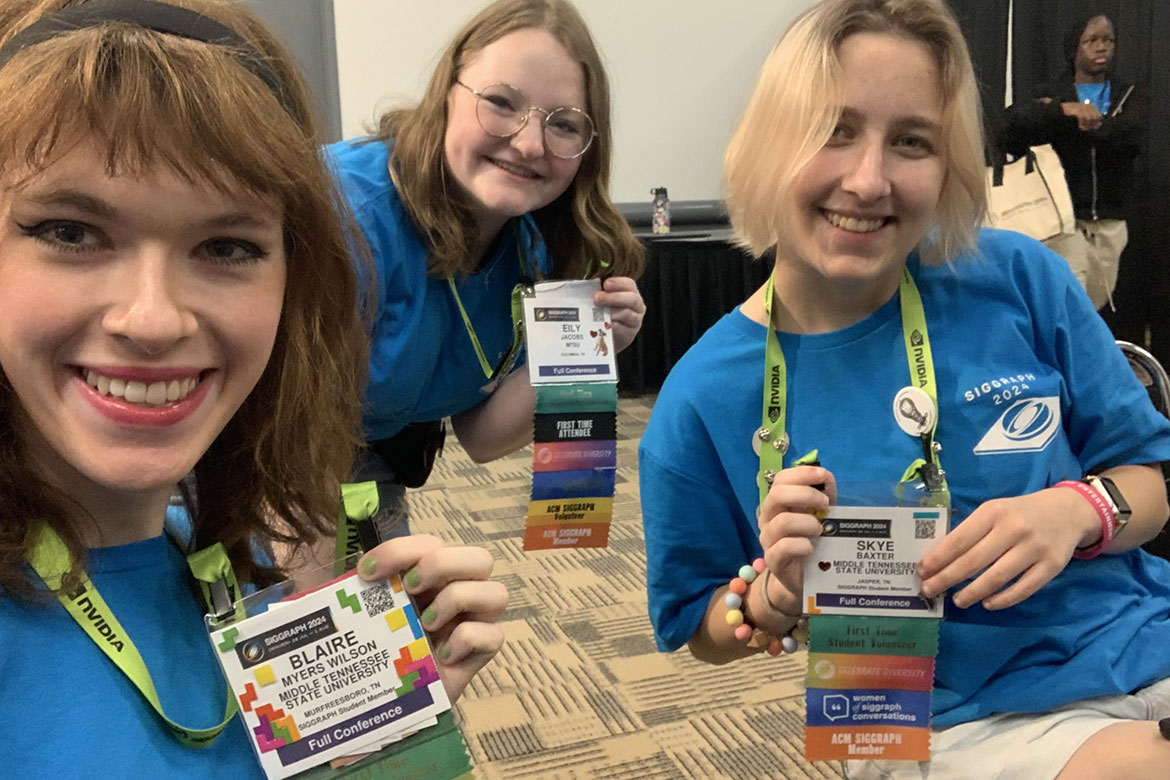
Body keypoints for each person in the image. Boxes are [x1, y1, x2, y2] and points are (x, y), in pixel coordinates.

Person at [639, 1, 1170, 778]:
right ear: (769, 142)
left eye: (911, 141)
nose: (868, 179)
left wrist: (1076, 511)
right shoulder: (703, 398)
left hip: (1146, 643)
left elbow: (1148, 486)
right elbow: (699, 626)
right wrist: (772, 600)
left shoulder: (1019, 279)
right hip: (943, 721)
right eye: (834, 129)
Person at [0, 2, 506, 778]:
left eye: (227, 246)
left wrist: (377, 731)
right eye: (70, 231)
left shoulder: (217, 554)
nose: (153, 319)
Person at [325, 0, 646, 537]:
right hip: (238, 463)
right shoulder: (348, 218)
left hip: (367, 469)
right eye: (501, 102)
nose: (528, 143)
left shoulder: (530, 246)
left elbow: (483, 438)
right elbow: (265, 423)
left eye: (564, 125)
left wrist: (590, 351)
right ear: (446, 94)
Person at [1002, 12, 1146, 310]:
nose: (1101, 47)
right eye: (1091, 40)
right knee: (1071, 305)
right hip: (1062, 220)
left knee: (1094, 307)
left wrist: (1085, 125)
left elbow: (1131, 136)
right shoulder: (1051, 95)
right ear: (1074, 48)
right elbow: (1008, 130)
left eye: (1108, 40)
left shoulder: (1129, 93)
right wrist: (1063, 111)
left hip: (1110, 221)